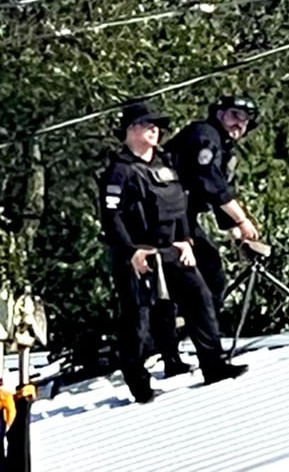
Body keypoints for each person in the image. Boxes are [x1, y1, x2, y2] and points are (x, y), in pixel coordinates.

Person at [98, 101, 248, 403]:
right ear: (130, 131)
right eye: (146, 125)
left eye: (156, 126)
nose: (154, 130)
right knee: (137, 320)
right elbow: (111, 217)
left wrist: (186, 240)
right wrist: (130, 252)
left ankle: (213, 365)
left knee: (201, 299)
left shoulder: (165, 163)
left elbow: (180, 205)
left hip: (172, 248)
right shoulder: (119, 171)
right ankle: (139, 383)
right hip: (138, 254)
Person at [164, 95, 262, 325]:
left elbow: (219, 192)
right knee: (202, 273)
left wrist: (238, 235)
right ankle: (174, 332)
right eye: (235, 115)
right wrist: (242, 220)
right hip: (164, 216)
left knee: (210, 275)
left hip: (181, 216)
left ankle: (193, 329)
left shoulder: (222, 148)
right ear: (220, 115)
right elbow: (209, 181)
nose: (240, 123)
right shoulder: (205, 136)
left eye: (246, 120)